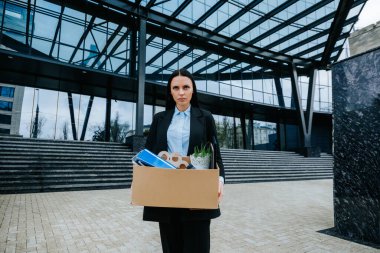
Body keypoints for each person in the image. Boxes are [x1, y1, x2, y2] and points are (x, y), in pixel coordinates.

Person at [144, 68, 225, 253]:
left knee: (198, 246)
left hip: (196, 188)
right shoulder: (159, 119)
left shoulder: (205, 117)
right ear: (170, 91)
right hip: (166, 190)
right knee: (171, 246)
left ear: (193, 90)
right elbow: (149, 153)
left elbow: (216, 154)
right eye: (176, 88)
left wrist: (220, 180)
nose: (181, 92)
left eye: (186, 87)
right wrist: (140, 179)